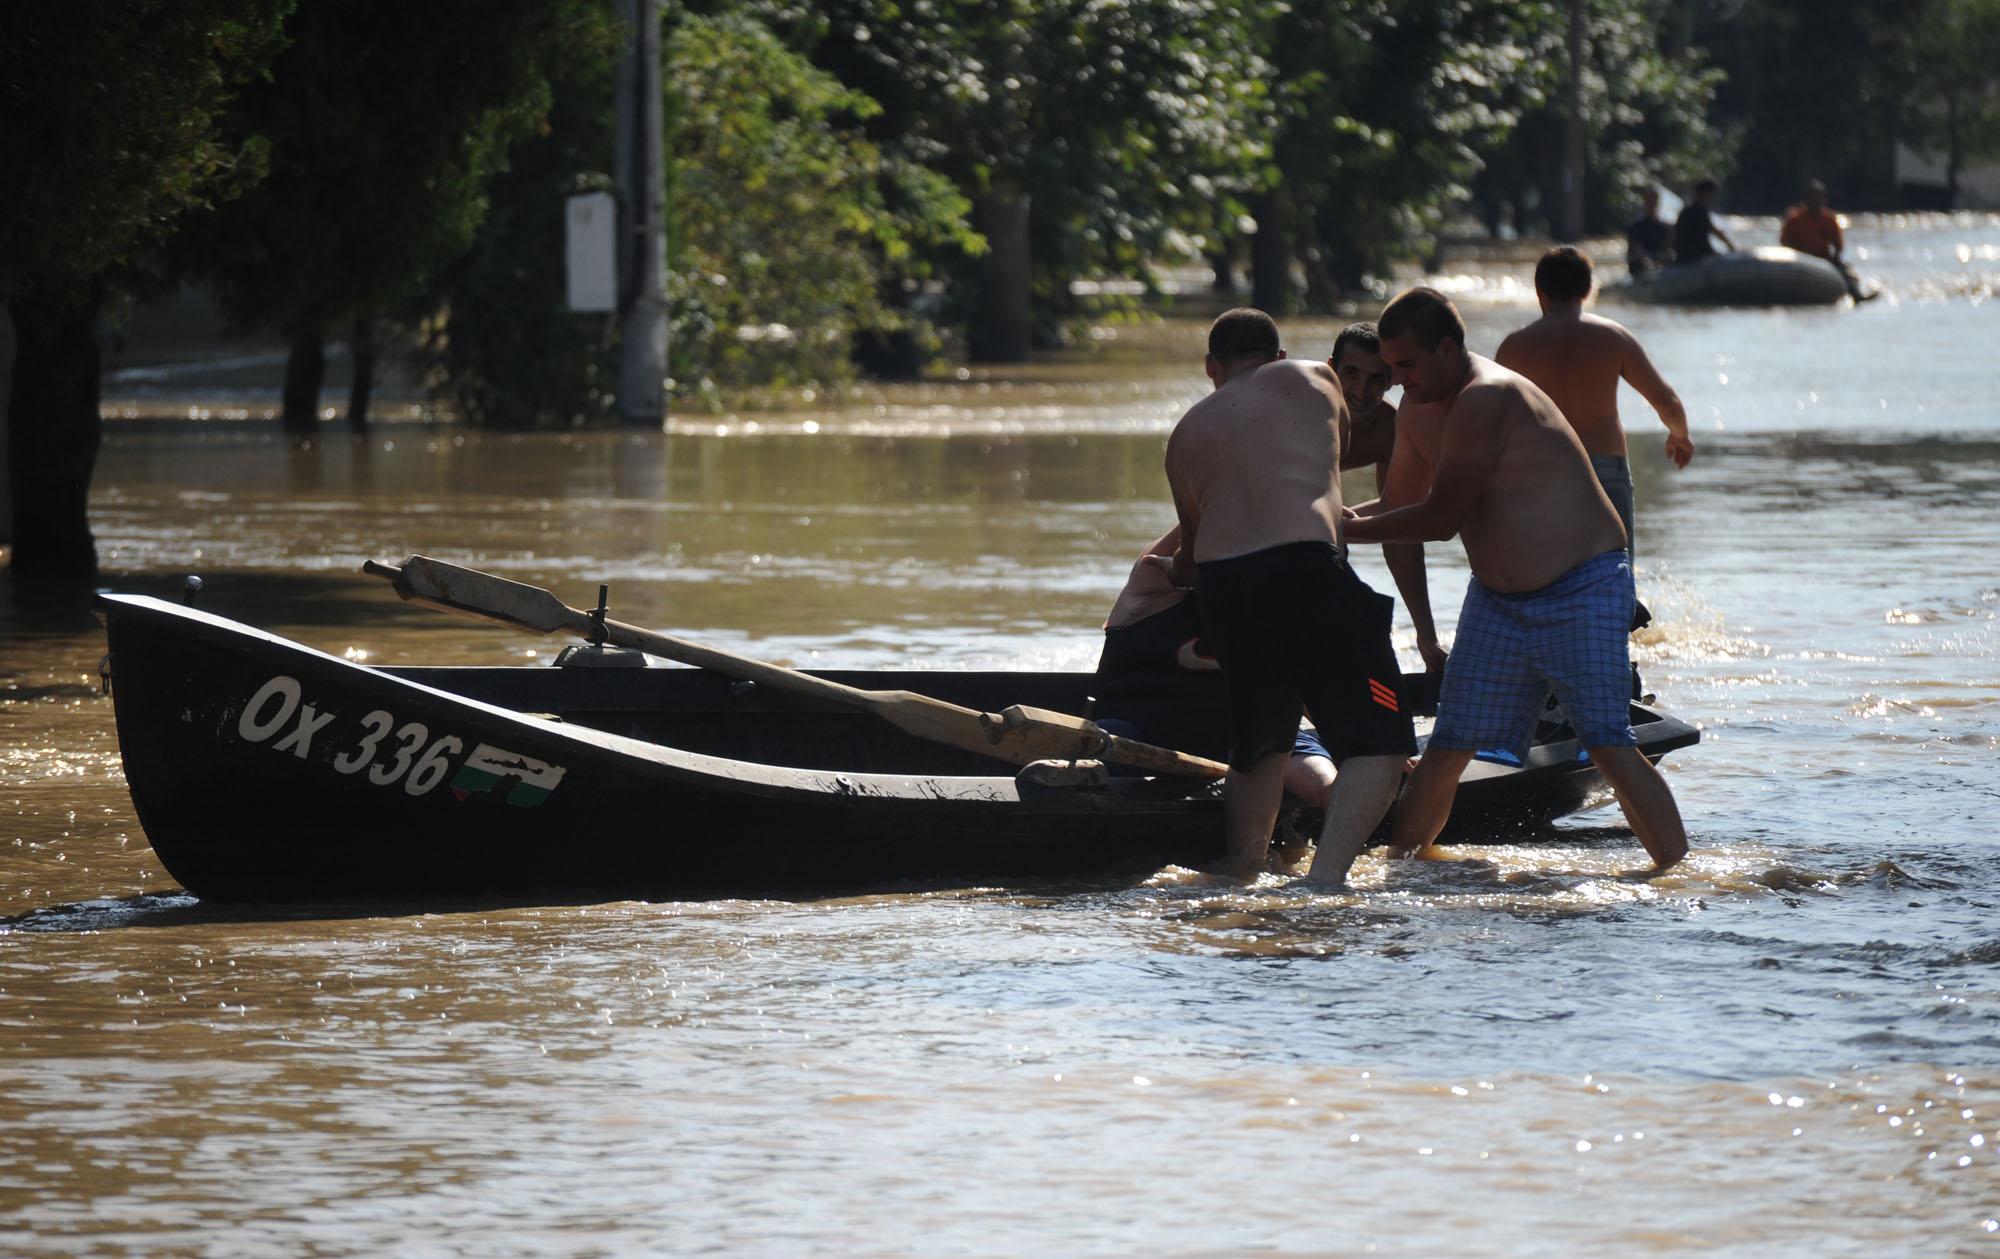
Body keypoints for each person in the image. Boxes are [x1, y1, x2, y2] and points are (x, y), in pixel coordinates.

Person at [1341, 287, 1688, 877]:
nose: (1396, 382)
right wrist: (1328, 521)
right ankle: (1397, 872)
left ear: (1448, 349)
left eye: (1406, 366)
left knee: (1606, 739)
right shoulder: (1423, 407)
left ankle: (1676, 873)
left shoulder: (1488, 396)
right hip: (1499, 600)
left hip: (1581, 585)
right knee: (1450, 743)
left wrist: (1341, 530)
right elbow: (1399, 506)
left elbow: (1441, 519)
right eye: (1391, 368)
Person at [1162, 308, 1416, 879]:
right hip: (1304, 566)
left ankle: (1242, 868)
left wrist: (1163, 574)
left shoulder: (1184, 435)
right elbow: (1329, 459)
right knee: (1381, 741)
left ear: (1211, 367)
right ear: (1278, 356)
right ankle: (1324, 884)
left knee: (1261, 743)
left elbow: (1191, 557)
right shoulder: (1316, 379)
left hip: (1226, 586)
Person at [1092, 525, 1338, 807]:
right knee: (1101, 741)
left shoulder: (1275, 601)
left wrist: (1366, 750)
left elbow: (1308, 688)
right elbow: (1202, 517)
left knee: (1323, 786)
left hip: (1249, 729)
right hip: (1140, 729)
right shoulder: (1153, 581)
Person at [1495, 246, 1692, 551]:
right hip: (1605, 469)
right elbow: (1666, 401)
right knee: (1615, 572)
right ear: (1588, 290)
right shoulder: (1614, 337)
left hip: (1541, 470)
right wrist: (1680, 436)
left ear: (1539, 290)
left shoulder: (1514, 347)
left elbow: (1493, 418)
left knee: (1547, 577)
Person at [1329, 322, 1446, 673]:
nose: (1362, 391)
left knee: (1337, 541)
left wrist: (1426, 637)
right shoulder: (1303, 409)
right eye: (1350, 374)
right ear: (1330, 367)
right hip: (1240, 500)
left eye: (1376, 378)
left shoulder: (1388, 427)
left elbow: (1400, 527)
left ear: (1393, 378)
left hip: (1307, 526)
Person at [1780, 179, 1875, 302]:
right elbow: (1784, 242)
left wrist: (1834, 258)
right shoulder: (1795, 220)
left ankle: (1857, 294)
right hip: (1800, 260)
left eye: (1819, 197)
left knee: (1847, 272)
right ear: (1806, 198)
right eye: (1813, 197)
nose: (1816, 201)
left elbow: (1838, 246)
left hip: (1823, 261)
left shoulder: (1829, 220)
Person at [1670, 179, 1734, 265]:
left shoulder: (1686, 211)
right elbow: (1713, 231)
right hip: (1695, 258)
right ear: (1706, 194)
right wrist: (1731, 247)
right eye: (1713, 194)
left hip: (1684, 257)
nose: (1715, 198)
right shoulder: (1698, 212)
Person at [1625, 187, 1673, 277]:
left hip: (1659, 264)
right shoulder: (1636, 226)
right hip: (1641, 266)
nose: (1652, 203)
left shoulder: (1664, 226)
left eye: (1654, 200)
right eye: (1650, 200)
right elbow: (1637, 249)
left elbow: (1666, 248)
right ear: (1645, 202)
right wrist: (1648, 264)